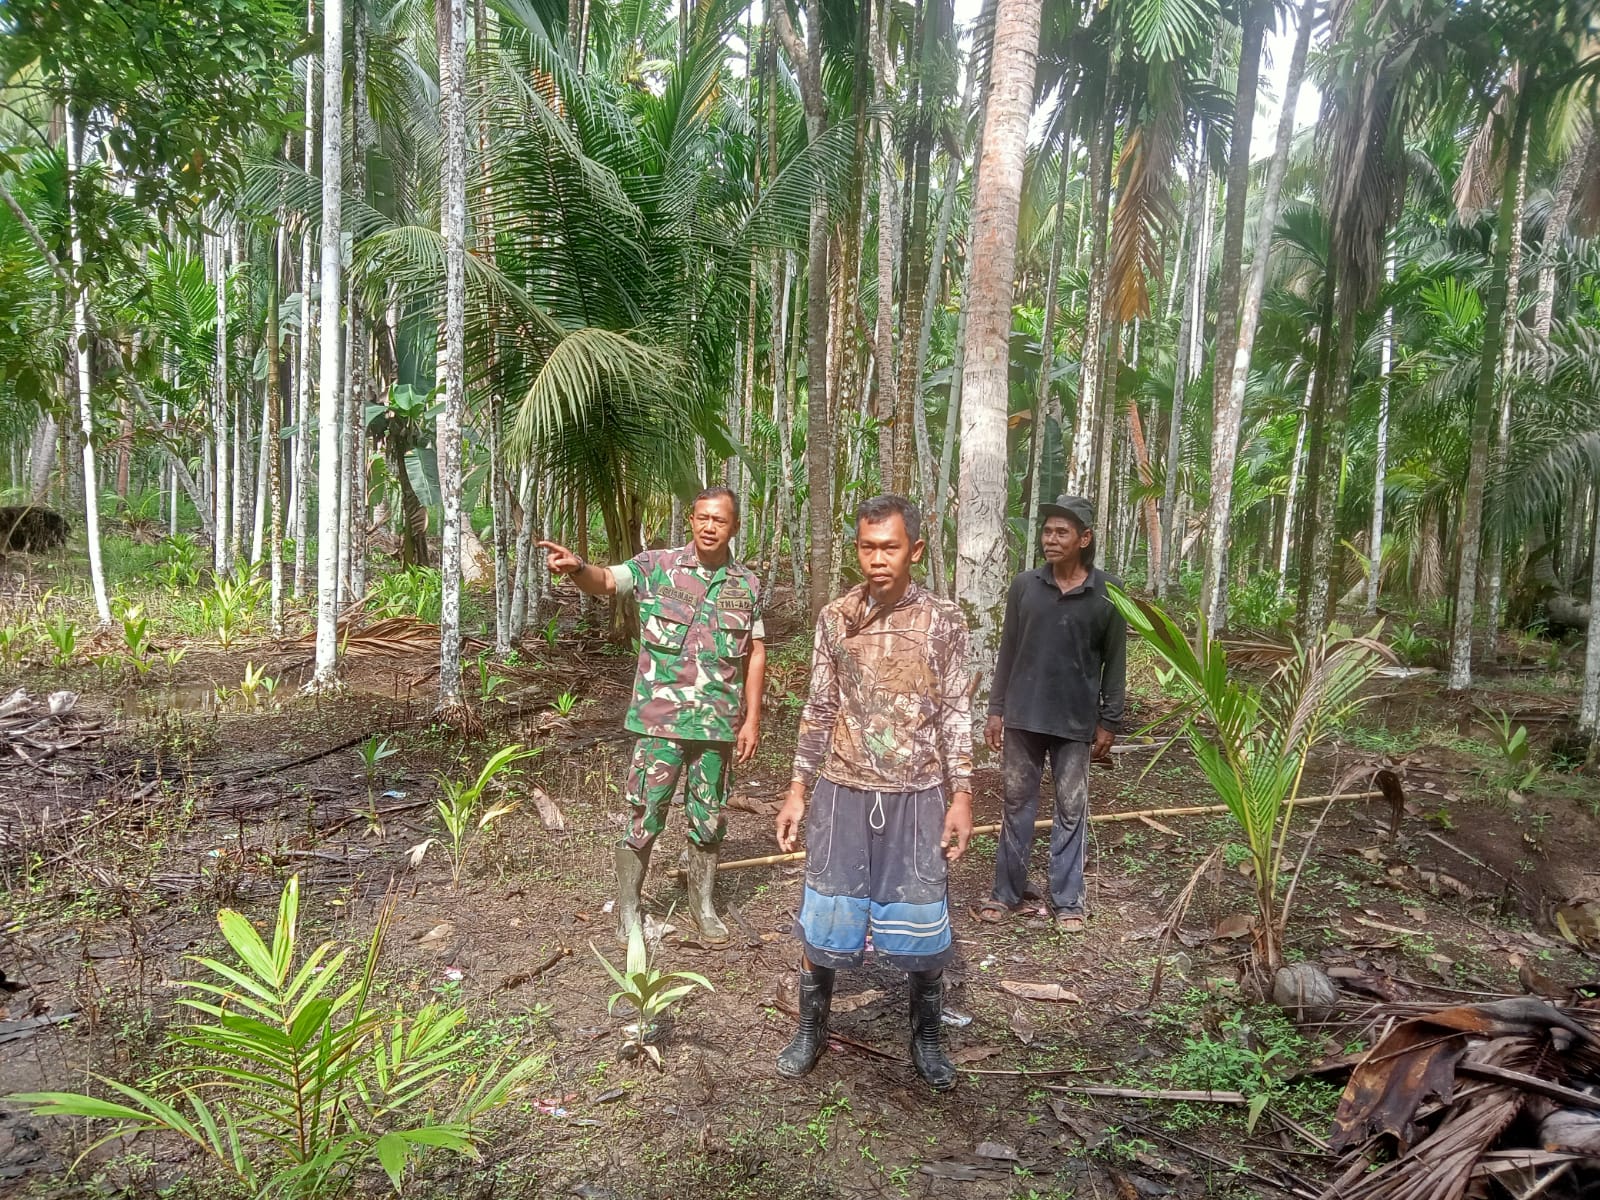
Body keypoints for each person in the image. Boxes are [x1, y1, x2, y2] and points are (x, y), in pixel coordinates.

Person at [772, 494, 973, 1090]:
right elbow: (818, 706)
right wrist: (796, 787)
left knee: (922, 913)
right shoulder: (837, 617)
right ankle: (812, 1026)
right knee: (827, 909)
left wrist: (963, 794)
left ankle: (927, 1032)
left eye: (889, 548)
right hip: (843, 788)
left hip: (919, 794)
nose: (877, 560)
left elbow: (958, 709)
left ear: (915, 549)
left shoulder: (944, 621)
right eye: (867, 548)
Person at [538, 486, 765, 946]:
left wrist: (752, 718)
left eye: (719, 520)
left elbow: (755, 653)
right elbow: (606, 581)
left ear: (734, 527)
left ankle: (703, 907)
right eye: (702, 517)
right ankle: (628, 910)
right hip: (661, 723)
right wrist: (577, 567)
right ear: (692, 519)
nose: (709, 526)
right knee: (645, 814)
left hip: (717, 727)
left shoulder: (747, 585)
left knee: (709, 817)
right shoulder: (658, 566)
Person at [974, 494, 1126, 934]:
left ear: (1085, 538)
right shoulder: (1025, 586)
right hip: (1023, 717)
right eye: (1047, 531)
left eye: (1062, 532)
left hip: (1076, 723)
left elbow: (1115, 661)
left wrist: (1109, 721)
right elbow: (1008, 651)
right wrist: (996, 709)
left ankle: (1067, 902)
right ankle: (1006, 894)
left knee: (1071, 809)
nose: (1051, 539)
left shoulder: (1107, 593)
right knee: (1016, 804)